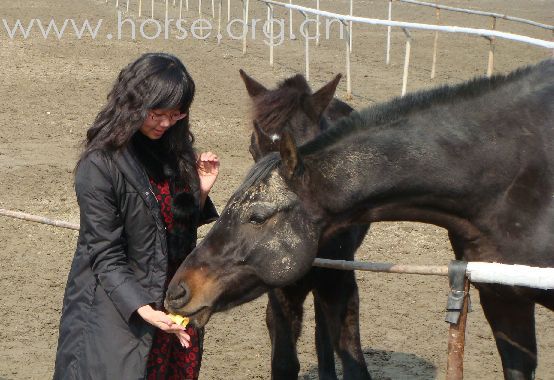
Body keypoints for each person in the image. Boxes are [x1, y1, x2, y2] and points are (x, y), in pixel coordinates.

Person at [53, 52, 220, 380]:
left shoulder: (175, 150)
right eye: (157, 114)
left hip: (172, 308)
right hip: (117, 313)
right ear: (132, 104)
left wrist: (198, 191)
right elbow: (104, 254)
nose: (165, 124)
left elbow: (174, 233)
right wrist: (146, 310)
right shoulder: (99, 166)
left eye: (176, 115)